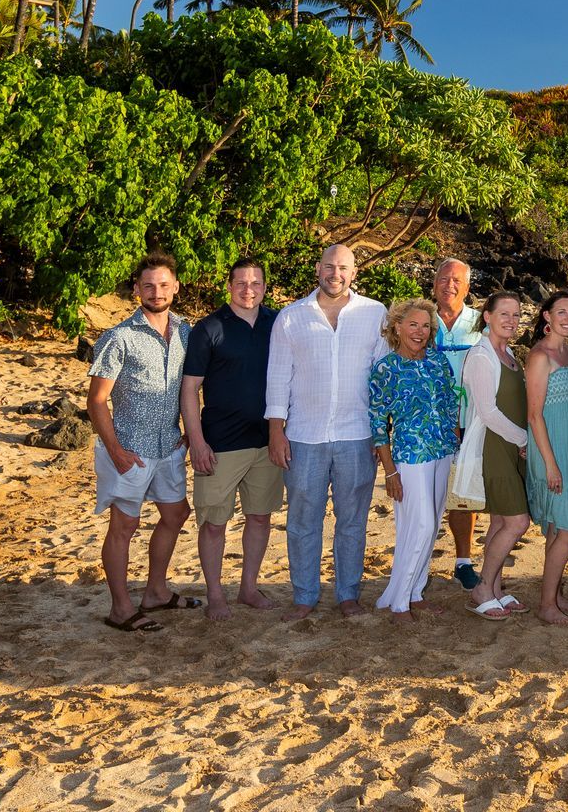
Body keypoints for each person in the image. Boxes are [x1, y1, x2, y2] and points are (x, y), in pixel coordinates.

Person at [266, 243, 387, 620]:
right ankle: (304, 595)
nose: (336, 274)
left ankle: (348, 593)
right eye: (330, 266)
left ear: (354, 272)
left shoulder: (374, 313)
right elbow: (278, 376)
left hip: (357, 434)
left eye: (344, 268)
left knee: (352, 521)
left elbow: (383, 377)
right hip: (304, 435)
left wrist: (381, 435)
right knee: (303, 521)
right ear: (318, 269)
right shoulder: (291, 316)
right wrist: (276, 430)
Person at [88, 252, 194, 632]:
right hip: (129, 450)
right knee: (123, 526)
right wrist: (115, 450)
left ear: (176, 287)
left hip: (169, 447)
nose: (157, 291)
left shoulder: (186, 332)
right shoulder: (118, 338)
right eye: (148, 285)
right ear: (136, 290)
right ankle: (120, 609)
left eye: (164, 284)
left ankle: (156, 591)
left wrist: (189, 434)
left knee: (176, 514)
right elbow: (96, 400)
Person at [180, 257, 282, 621]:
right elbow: (190, 389)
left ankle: (248, 588)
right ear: (229, 286)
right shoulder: (209, 328)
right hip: (220, 443)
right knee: (214, 523)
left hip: (266, 442)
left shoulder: (277, 323)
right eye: (241, 283)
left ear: (265, 286)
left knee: (259, 517)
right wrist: (197, 440)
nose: (249, 289)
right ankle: (215, 594)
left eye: (256, 282)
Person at [369, 297, 461, 621]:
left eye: (425, 326)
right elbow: (378, 425)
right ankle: (398, 604)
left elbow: (452, 404)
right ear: (397, 327)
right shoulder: (386, 368)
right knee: (417, 525)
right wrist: (390, 472)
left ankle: (414, 592)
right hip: (409, 456)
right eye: (413, 324)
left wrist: (456, 446)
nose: (420, 331)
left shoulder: (437, 362)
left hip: (441, 452)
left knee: (432, 524)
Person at [460, 291, 531, 619]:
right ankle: (482, 587)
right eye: (504, 313)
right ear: (486, 316)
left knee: (501, 521)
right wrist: (522, 439)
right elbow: (488, 412)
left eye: (516, 315)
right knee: (518, 521)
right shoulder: (481, 356)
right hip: (494, 446)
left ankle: (497, 589)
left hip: (511, 445)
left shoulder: (510, 353)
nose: (511, 320)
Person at [524, 291, 568, 625]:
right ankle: (546, 604)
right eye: (561, 312)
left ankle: (555, 593)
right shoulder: (539, 356)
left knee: (554, 528)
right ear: (546, 316)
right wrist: (550, 463)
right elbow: (534, 416)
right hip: (549, 448)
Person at [431, 258, 484, 590]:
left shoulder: (481, 323)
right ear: (434, 282)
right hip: (426, 425)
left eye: (457, 281)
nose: (450, 285)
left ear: (467, 287)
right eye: (444, 278)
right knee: (425, 496)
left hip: (470, 423)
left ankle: (463, 560)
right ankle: (418, 560)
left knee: (463, 493)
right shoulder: (420, 318)